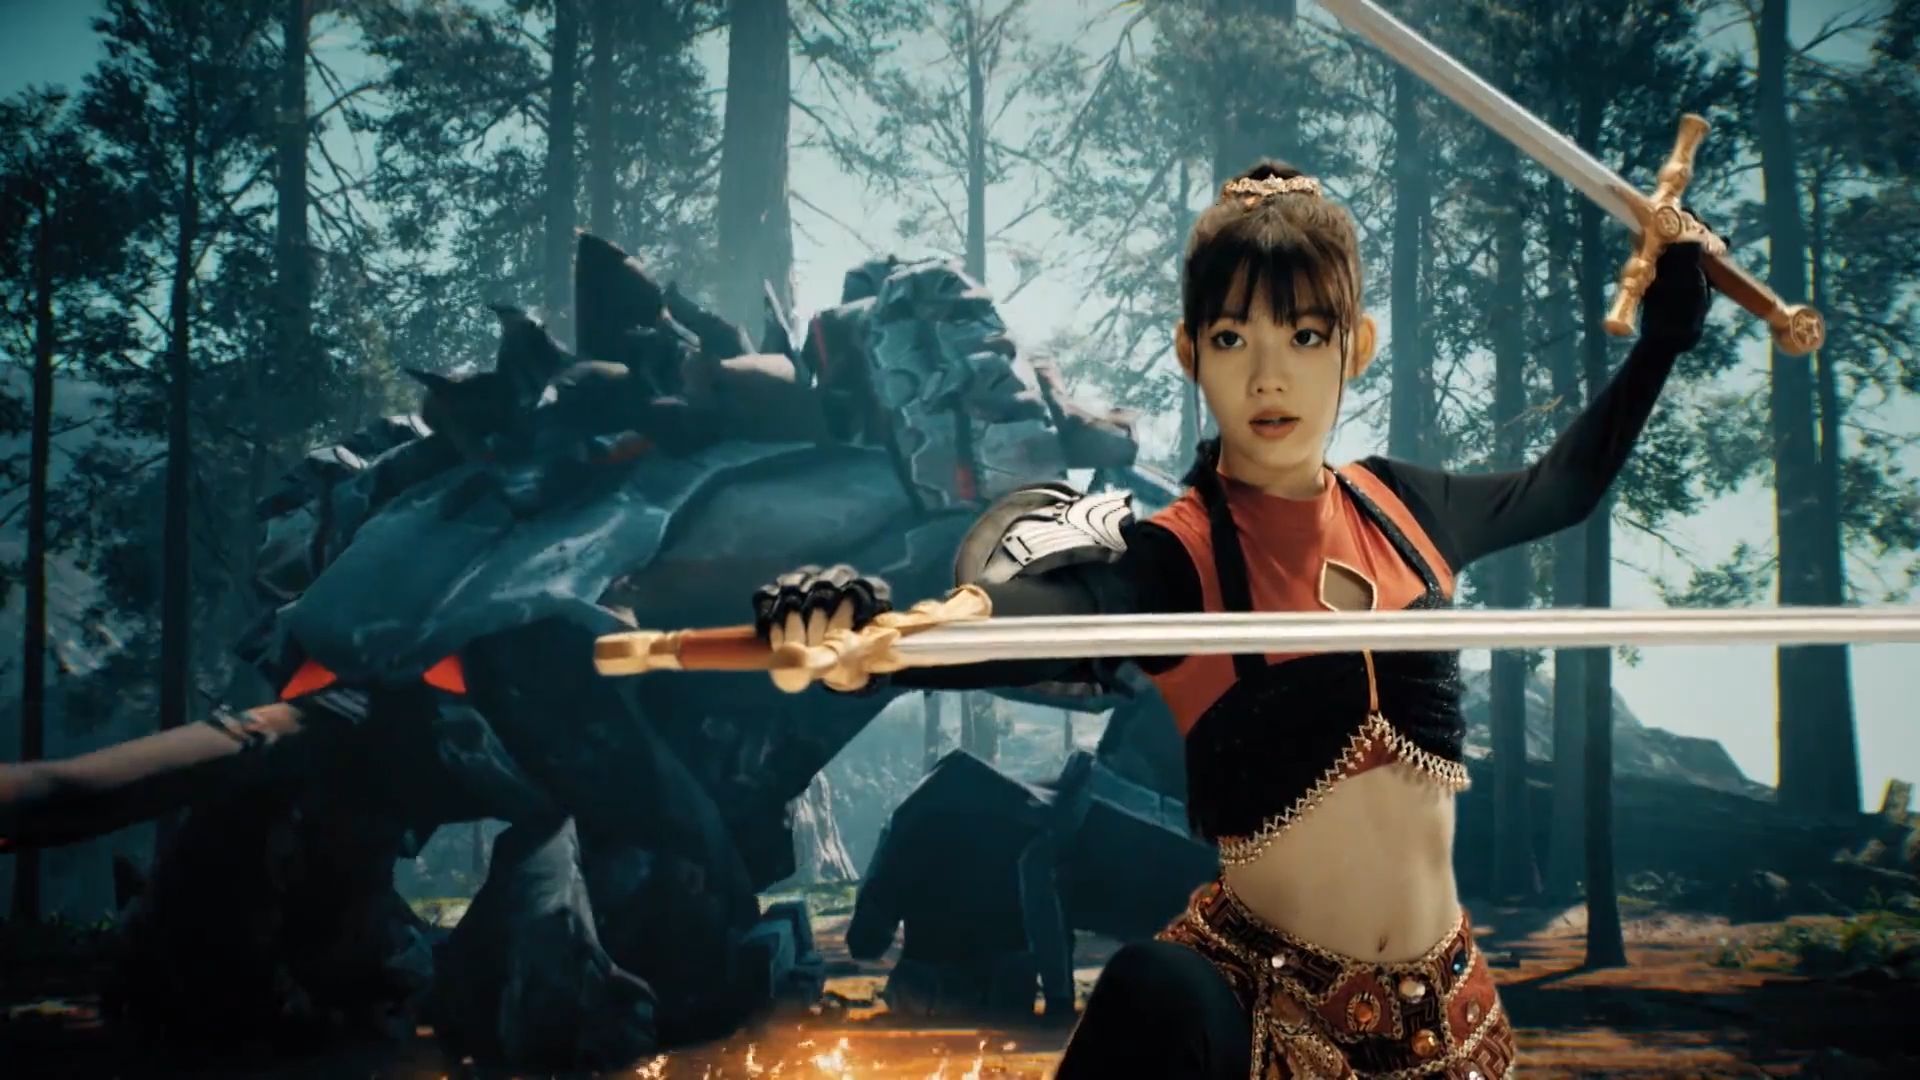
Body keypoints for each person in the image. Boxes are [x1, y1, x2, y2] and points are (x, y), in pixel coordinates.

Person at [748, 160, 1713, 1079]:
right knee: (1151, 992)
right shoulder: (1173, 559)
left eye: (1304, 338)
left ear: (1355, 346)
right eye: (1231, 340)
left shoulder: (1408, 507)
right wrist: (867, 633)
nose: (1267, 378)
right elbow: (1030, 620)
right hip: (1257, 1011)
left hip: (1449, 1028)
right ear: (1191, 353)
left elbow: (1561, 490)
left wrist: (1662, 342)